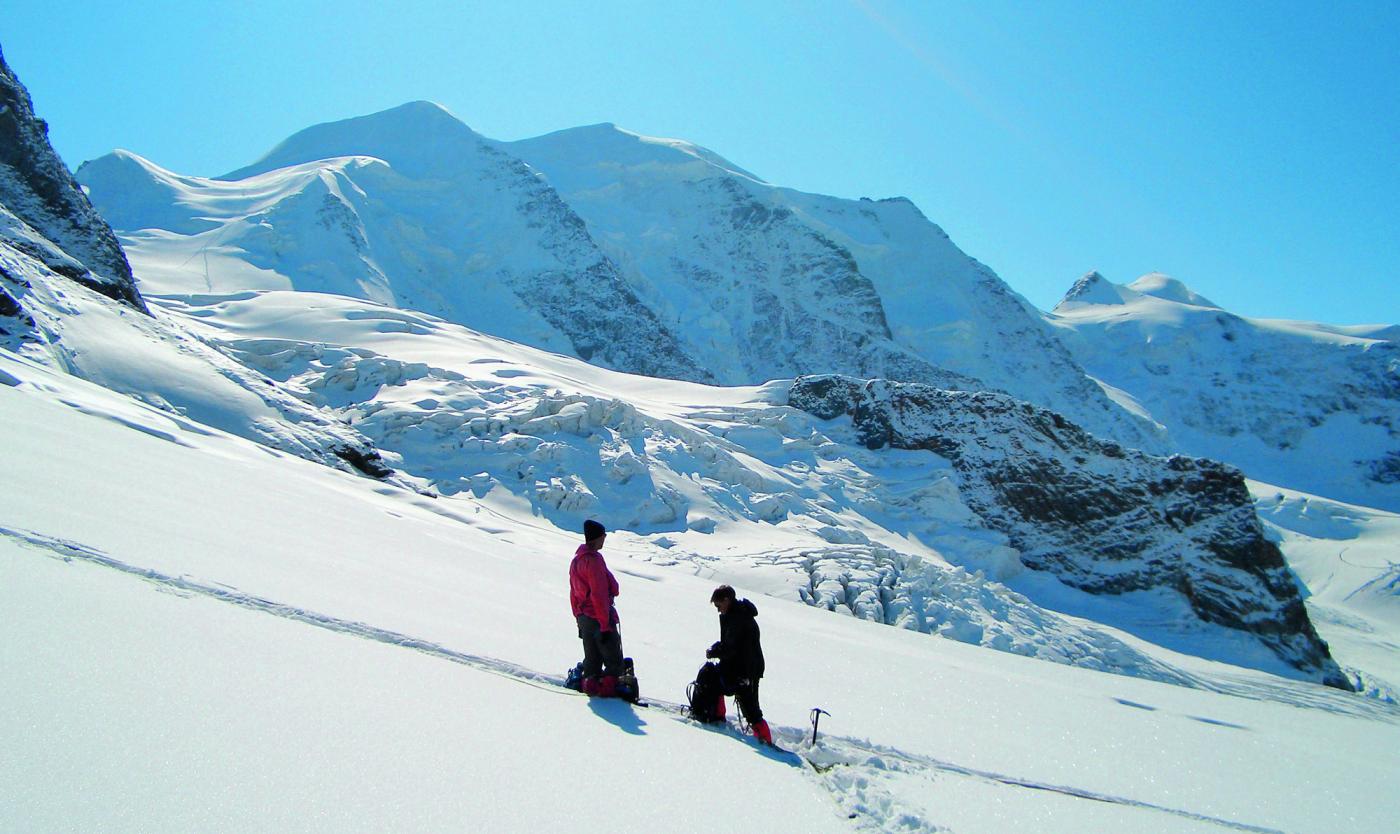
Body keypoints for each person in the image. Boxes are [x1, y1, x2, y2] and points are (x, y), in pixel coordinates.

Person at [707, 584, 772, 745]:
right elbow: (730, 644)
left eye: (718, 605)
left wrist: (715, 652)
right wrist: (718, 648)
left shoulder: (738, 618)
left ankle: (765, 739)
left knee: (751, 708)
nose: (718, 609)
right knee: (717, 682)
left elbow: (732, 648)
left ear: (726, 600)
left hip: (747, 669)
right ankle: (718, 715)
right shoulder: (735, 614)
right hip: (742, 667)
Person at [570, 519, 624, 697]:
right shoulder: (594, 561)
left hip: (584, 617)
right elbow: (599, 594)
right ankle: (609, 696)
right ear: (597, 538)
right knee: (613, 661)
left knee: (592, 662)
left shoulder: (577, 560)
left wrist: (578, 618)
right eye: (603, 536)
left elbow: (574, 593)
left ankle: (590, 688)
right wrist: (605, 624)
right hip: (599, 617)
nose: (604, 539)